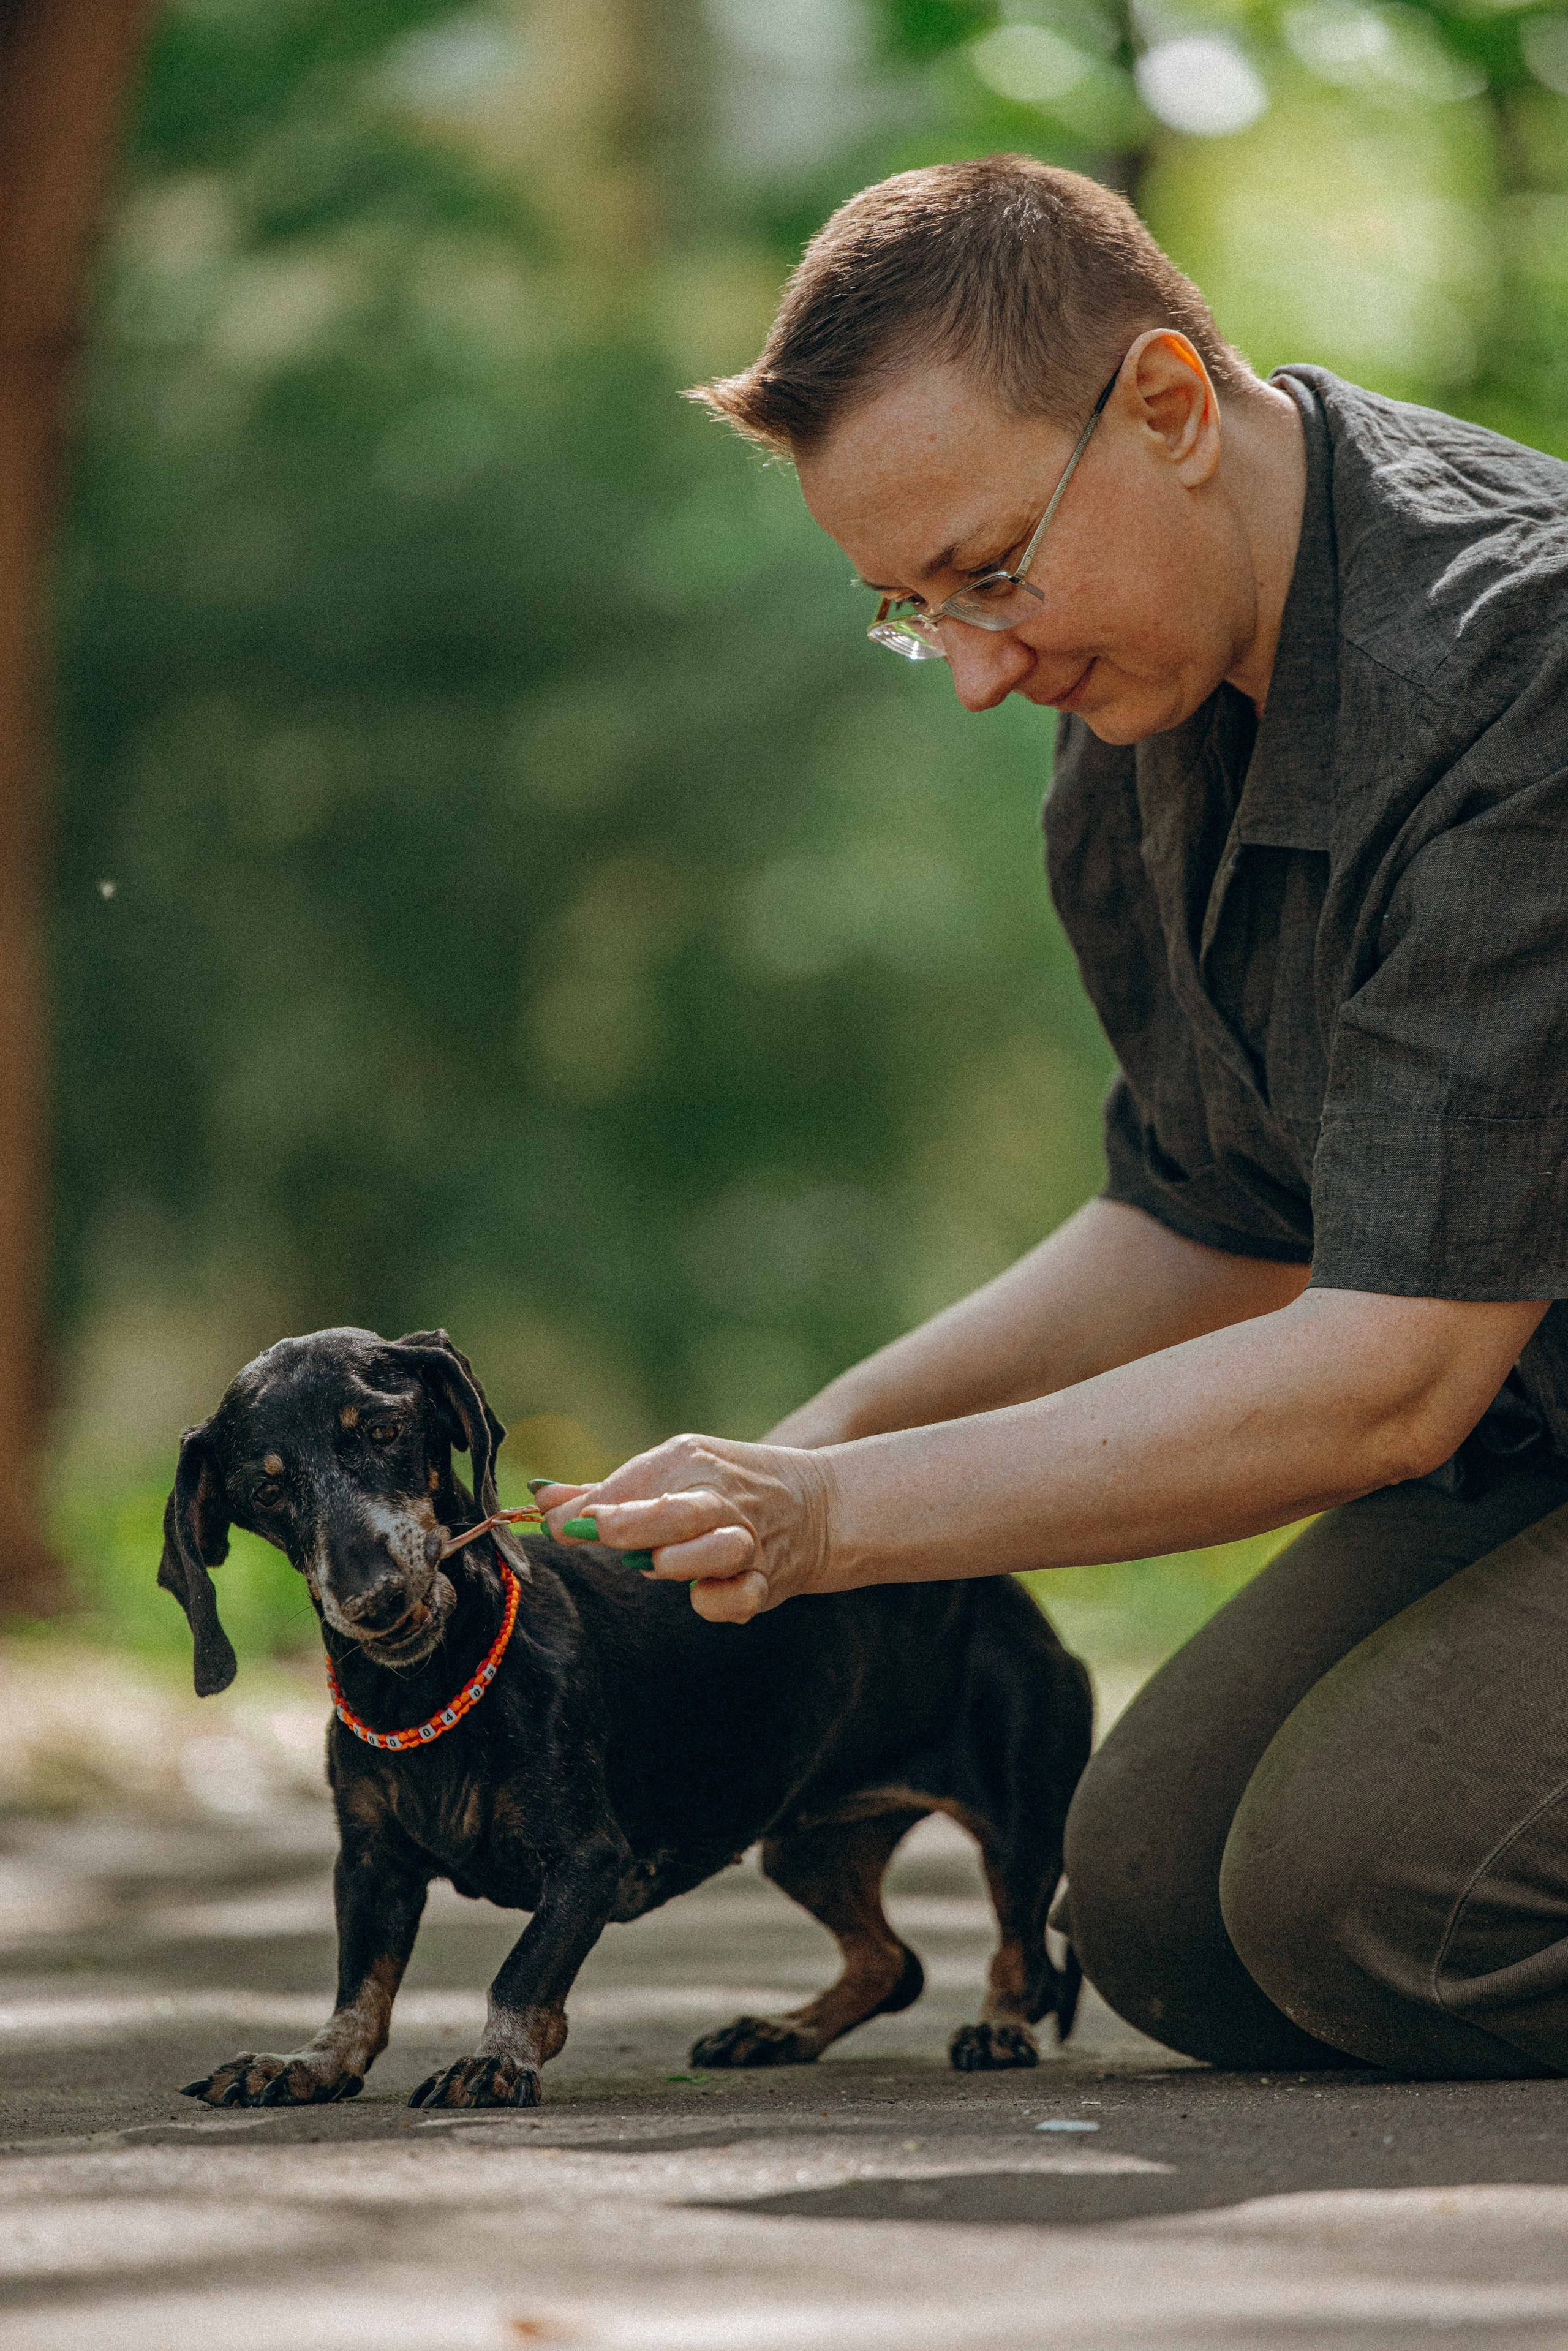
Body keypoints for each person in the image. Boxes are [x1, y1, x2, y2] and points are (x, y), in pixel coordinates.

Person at [537, 156, 1568, 2080]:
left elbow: (1391, 1383)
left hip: (1471, 1399)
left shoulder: (1528, 669)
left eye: (993, 572)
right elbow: (1208, 1219)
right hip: (1539, 1436)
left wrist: (833, 1526)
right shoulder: (1138, 719)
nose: (977, 673)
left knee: (1368, 1902)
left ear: (1168, 405)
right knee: (1157, 1910)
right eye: (914, 611)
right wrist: (799, 1455)